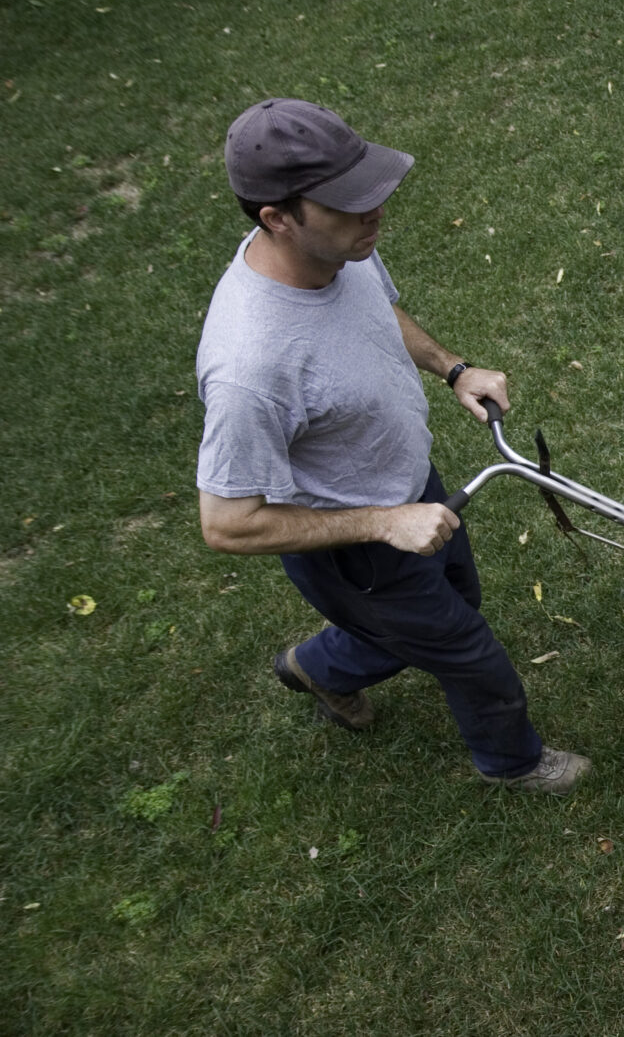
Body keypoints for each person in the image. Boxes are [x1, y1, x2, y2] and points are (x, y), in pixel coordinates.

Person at [195, 98, 590, 795]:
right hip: (357, 546)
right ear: (277, 218)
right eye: (349, 202)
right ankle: (512, 761)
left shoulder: (339, 250)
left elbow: (378, 309)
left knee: (454, 602)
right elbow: (227, 522)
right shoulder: (250, 365)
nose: (375, 211)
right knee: (469, 652)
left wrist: (453, 368)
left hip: (412, 488)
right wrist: (384, 522)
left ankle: (319, 666)